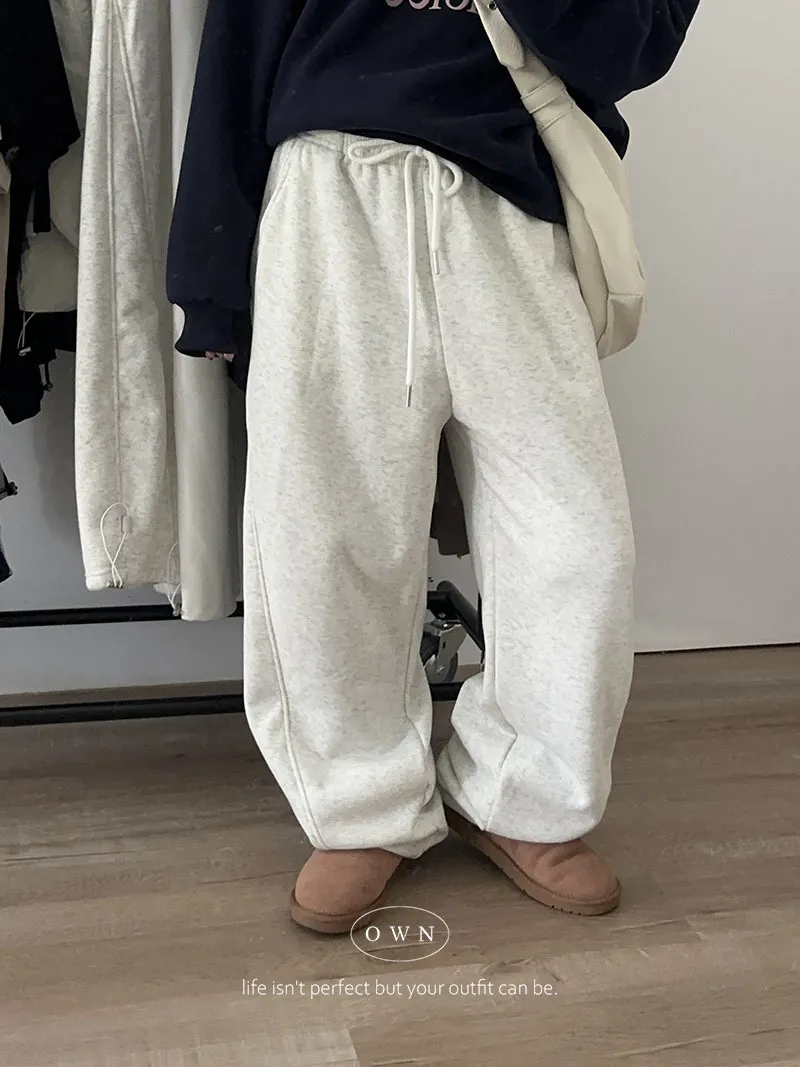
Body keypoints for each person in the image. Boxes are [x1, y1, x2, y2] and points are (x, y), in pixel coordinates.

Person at [167, 0, 700, 934]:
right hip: (328, 186)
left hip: (512, 198)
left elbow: (634, 44)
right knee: (324, 527)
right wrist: (210, 276)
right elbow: (239, 46)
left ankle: (525, 794)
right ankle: (361, 806)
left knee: (574, 539)